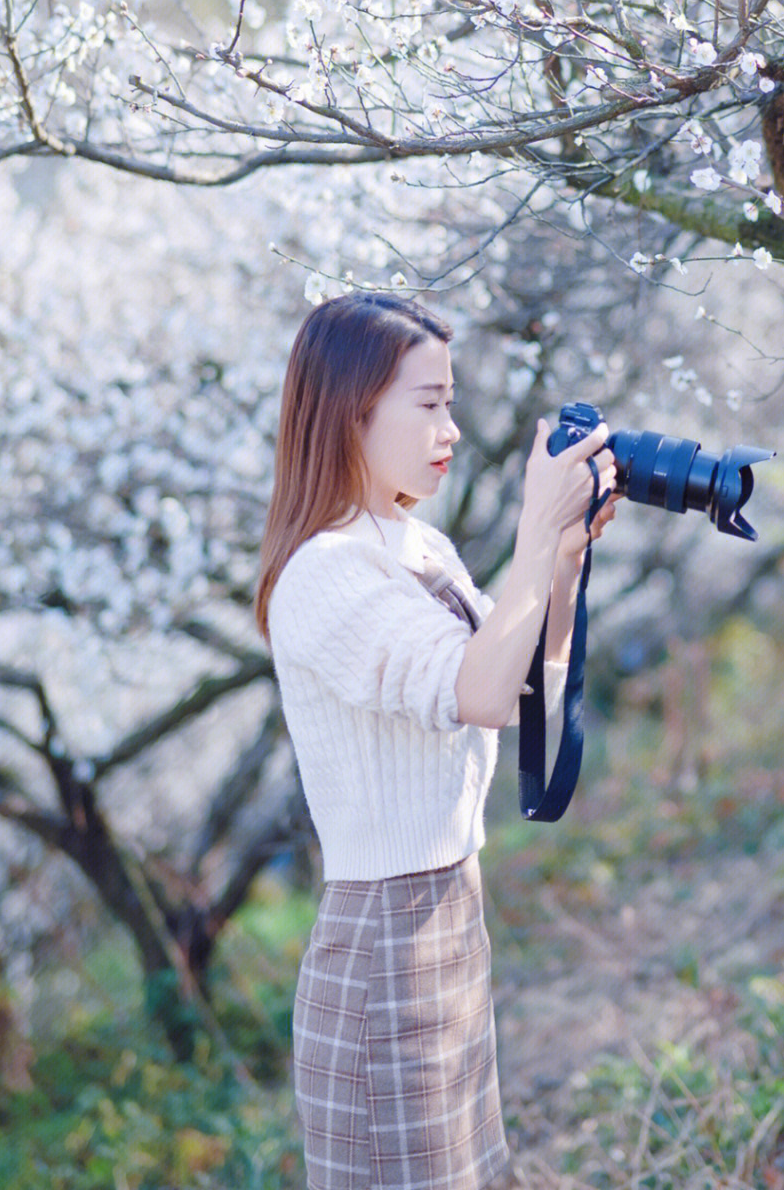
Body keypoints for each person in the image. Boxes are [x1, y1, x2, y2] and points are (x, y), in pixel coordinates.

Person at [255, 290, 617, 1190]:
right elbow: (479, 692)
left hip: (449, 913)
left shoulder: (420, 546)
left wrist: (562, 558)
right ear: (352, 411)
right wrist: (534, 530)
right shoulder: (325, 573)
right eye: (429, 403)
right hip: (383, 947)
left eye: (451, 400)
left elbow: (527, 678)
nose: (451, 427)